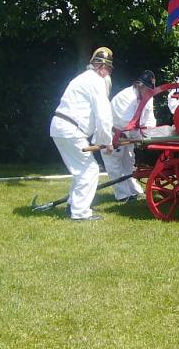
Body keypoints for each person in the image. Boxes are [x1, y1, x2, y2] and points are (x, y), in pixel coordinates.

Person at [49, 47, 115, 221]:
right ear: (101, 67)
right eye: (108, 68)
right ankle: (80, 213)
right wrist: (106, 143)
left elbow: (94, 117)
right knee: (89, 170)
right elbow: (103, 115)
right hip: (70, 129)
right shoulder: (97, 81)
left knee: (81, 170)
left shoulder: (84, 78)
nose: (108, 72)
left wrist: (101, 140)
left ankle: (72, 205)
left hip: (62, 127)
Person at [103, 70, 157, 203]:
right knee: (115, 166)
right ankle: (122, 195)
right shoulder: (125, 97)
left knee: (129, 164)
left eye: (151, 90)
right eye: (147, 89)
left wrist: (150, 134)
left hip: (130, 136)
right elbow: (126, 123)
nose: (149, 92)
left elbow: (150, 119)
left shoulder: (148, 97)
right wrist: (140, 137)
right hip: (114, 135)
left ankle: (134, 191)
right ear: (139, 85)